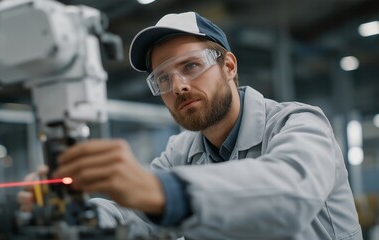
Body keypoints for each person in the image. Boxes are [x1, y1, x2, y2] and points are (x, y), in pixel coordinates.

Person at [20, 12, 363, 239]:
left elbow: (290, 194)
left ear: (228, 66)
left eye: (190, 66)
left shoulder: (298, 124)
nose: (178, 86)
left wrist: (163, 192)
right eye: (163, 79)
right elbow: (135, 215)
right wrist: (77, 213)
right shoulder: (181, 151)